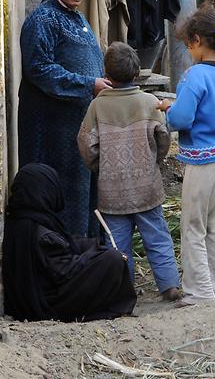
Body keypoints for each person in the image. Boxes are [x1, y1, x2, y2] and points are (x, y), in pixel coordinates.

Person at [77, 42, 182, 302]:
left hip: (112, 190)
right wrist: (153, 162)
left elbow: (86, 144)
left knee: (117, 245)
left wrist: (99, 168)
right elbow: (163, 138)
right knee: (157, 237)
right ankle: (170, 285)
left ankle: (124, 291)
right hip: (147, 185)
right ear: (137, 73)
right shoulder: (149, 102)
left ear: (106, 74)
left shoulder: (97, 107)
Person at [18, 0, 112, 237]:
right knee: (61, 194)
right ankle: (64, 258)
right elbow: (39, 69)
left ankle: (85, 255)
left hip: (78, 128)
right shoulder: (44, 18)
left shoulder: (78, 18)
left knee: (84, 193)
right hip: (52, 130)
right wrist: (88, 85)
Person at [158, 4, 215, 305]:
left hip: (201, 160)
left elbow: (182, 119)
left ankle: (198, 291)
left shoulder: (194, 76)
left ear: (196, 41)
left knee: (192, 226)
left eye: (188, 45)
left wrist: (168, 109)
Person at [2, 164, 137, 322]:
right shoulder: (38, 231)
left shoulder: (22, 219)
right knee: (113, 260)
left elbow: (64, 245)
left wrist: (92, 247)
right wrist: (98, 258)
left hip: (34, 295)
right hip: (49, 302)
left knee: (104, 255)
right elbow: (63, 271)